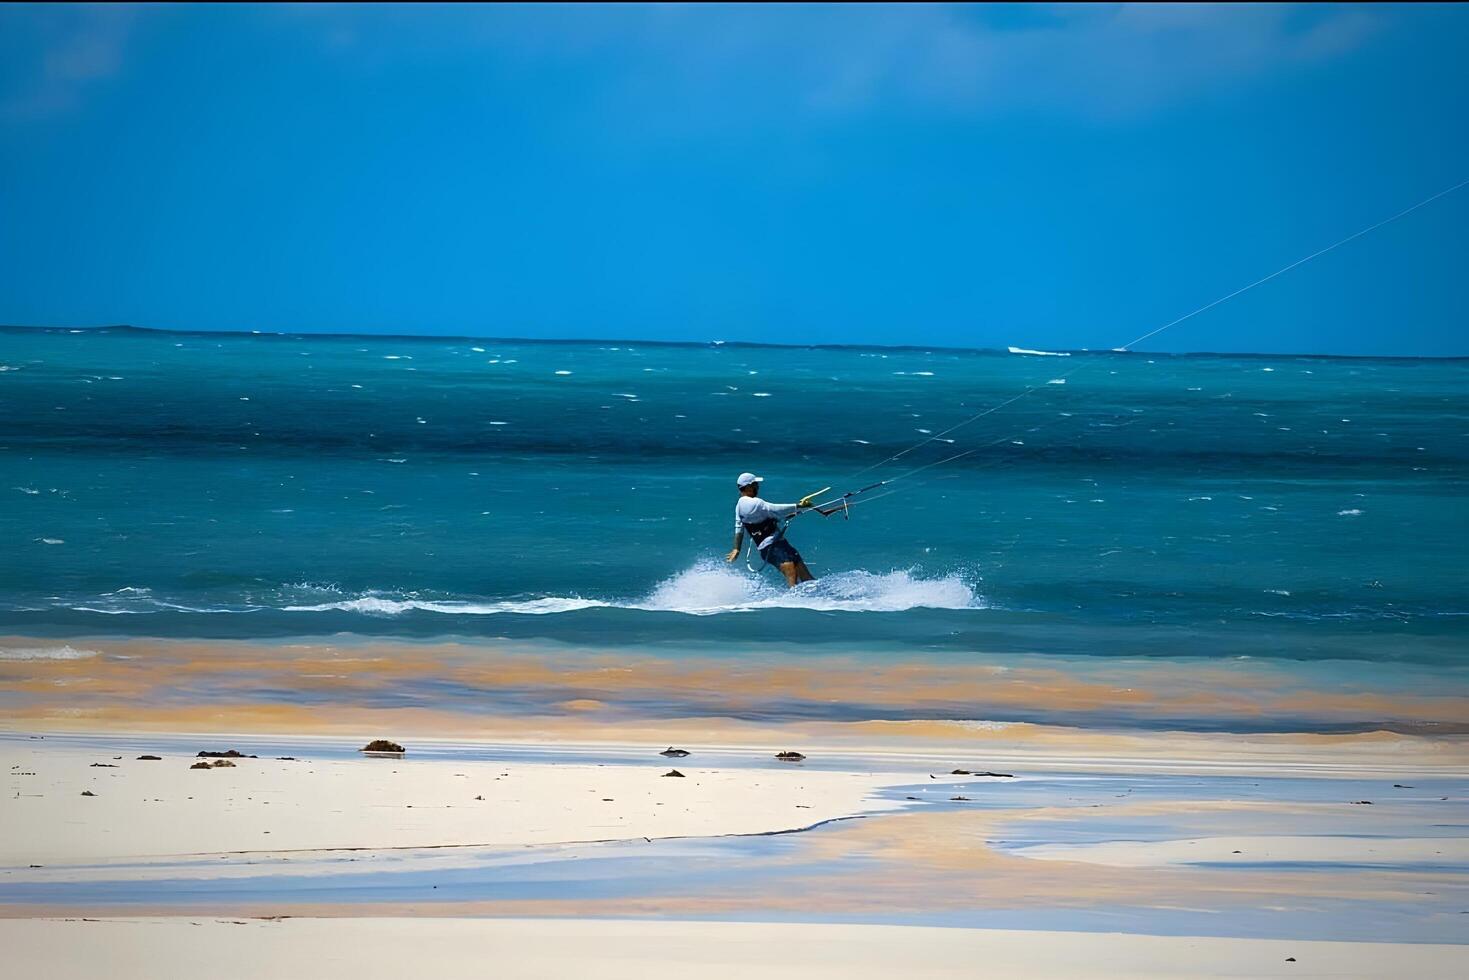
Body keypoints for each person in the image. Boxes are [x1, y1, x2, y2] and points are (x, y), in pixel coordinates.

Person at [725, 472, 824, 587]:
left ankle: (820, 595)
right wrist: (798, 506)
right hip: (770, 547)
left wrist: (736, 548)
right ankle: (793, 600)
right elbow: (775, 509)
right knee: (791, 571)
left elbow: (739, 528)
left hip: (779, 543)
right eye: (755, 484)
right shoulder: (755, 503)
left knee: (806, 576)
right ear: (748, 487)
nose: (758, 486)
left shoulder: (739, 506)